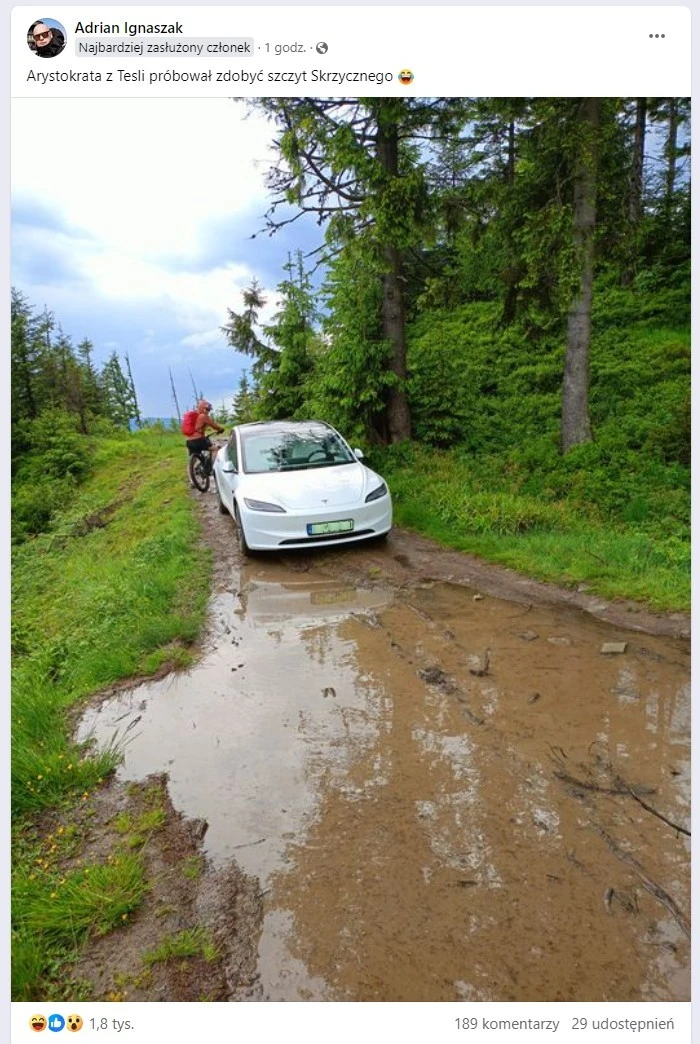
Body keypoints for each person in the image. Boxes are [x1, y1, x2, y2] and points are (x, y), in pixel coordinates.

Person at [185, 400, 225, 467]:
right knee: (215, 449)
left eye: (209, 410)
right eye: (207, 409)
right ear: (202, 408)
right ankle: (213, 467)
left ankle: (192, 471)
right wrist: (220, 429)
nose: (208, 411)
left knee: (193, 456)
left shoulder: (194, 417)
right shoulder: (203, 416)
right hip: (199, 440)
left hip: (189, 441)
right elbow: (213, 425)